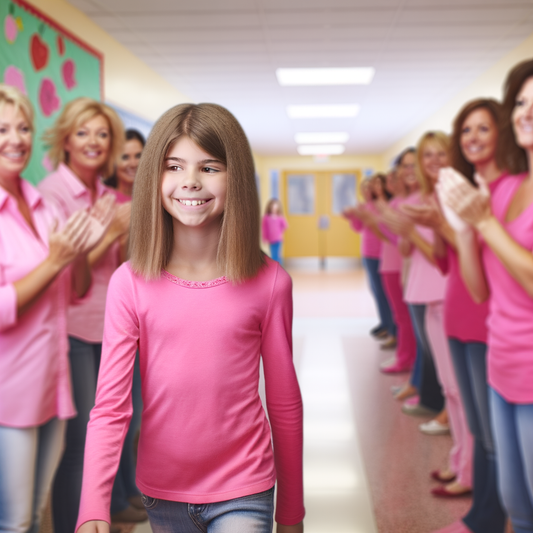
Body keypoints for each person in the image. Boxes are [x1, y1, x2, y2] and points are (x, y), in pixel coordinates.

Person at [75, 103, 305, 533]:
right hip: (162, 491)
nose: (191, 181)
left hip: (245, 486)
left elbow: (284, 402)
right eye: (174, 166)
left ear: (235, 176)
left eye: (210, 167)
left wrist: (292, 512)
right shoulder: (130, 283)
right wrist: (93, 506)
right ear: (154, 179)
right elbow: (110, 407)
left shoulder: (270, 282)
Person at [0, 85, 114, 533]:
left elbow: (75, 292)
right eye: (3, 129)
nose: (17, 139)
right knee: (13, 523)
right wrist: (55, 260)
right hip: (11, 388)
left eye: (24, 127)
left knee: (32, 516)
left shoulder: (40, 205)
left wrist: (81, 250)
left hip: (52, 379)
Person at [38, 98, 143, 532]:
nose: (94, 142)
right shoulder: (51, 194)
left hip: (115, 327)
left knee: (125, 422)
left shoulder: (107, 195)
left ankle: (111, 505)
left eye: (102, 134)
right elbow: (70, 278)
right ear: (65, 139)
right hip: (76, 332)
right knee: (81, 441)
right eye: (83, 132)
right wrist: (111, 233)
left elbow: (117, 267)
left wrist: (122, 235)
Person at [439, 58, 533, 533]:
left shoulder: (498, 199)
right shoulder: (508, 189)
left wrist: (482, 224)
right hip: (504, 363)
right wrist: (461, 228)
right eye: (520, 101)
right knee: (519, 505)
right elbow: (479, 287)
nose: (525, 112)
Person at [343, 176, 395, 344]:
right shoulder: (364, 206)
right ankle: (384, 322)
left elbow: (384, 227)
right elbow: (359, 228)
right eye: (364, 188)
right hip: (367, 253)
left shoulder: (383, 205)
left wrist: (367, 217)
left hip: (382, 252)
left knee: (384, 291)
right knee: (375, 290)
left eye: (370, 187)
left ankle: (391, 326)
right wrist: (353, 217)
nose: (367, 191)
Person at [105, 129, 145, 201]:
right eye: (125, 157)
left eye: (138, 156)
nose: (133, 164)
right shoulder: (101, 198)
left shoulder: (153, 200)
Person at [262, 198, 288, 264]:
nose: (274, 209)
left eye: (276, 207)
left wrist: (280, 232)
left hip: (278, 239)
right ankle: (276, 270)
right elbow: (264, 229)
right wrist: (265, 238)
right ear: (270, 207)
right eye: (273, 207)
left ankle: (279, 270)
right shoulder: (266, 218)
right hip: (271, 239)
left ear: (278, 208)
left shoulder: (280, 217)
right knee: (273, 256)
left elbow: (285, 226)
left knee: (277, 256)